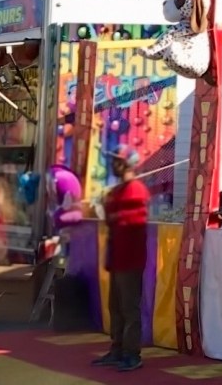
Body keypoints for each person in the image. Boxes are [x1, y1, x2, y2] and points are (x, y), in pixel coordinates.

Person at [93, 146, 150, 372]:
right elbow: (112, 218)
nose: (112, 164)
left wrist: (113, 212)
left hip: (130, 258)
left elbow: (128, 221)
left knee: (129, 308)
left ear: (126, 164)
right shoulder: (118, 191)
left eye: (116, 161)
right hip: (117, 257)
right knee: (115, 307)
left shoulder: (136, 190)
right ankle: (117, 349)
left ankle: (132, 353)